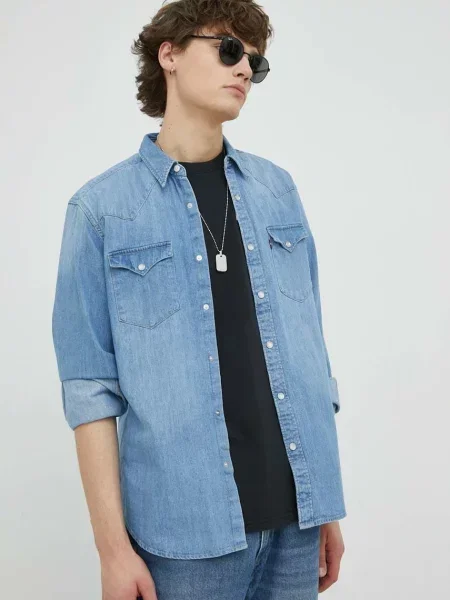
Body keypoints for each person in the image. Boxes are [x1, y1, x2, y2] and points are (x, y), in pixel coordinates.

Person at [51, 1, 346, 598]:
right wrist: (113, 551)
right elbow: (89, 391)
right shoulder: (102, 210)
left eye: (256, 62)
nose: (244, 70)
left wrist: (324, 506)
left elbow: (309, 348)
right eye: (229, 49)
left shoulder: (277, 189)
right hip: (184, 538)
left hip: (297, 524)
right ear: (170, 54)